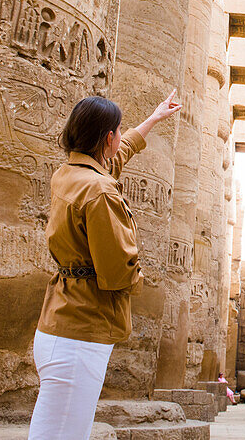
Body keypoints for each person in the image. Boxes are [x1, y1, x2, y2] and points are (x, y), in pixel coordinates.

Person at [28, 91, 181, 440]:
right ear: (106, 137)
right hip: (83, 328)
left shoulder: (69, 174)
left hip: (62, 318)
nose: (119, 138)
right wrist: (138, 280)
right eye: (117, 131)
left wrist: (155, 118)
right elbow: (117, 274)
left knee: (58, 428)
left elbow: (119, 152)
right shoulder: (100, 193)